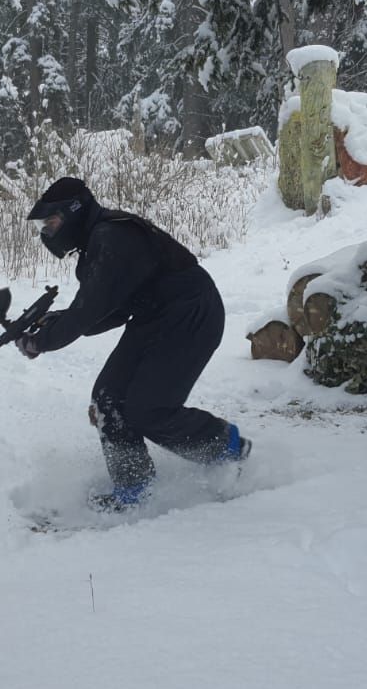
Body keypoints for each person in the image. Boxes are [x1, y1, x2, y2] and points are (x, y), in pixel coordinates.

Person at [16, 176, 250, 510]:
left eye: (50, 221)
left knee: (148, 410)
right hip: (155, 318)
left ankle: (228, 448)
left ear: (73, 212)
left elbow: (90, 310)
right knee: (108, 400)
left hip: (191, 315)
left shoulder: (113, 236)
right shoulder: (97, 243)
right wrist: (51, 326)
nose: (46, 231)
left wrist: (45, 340)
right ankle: (134, 490)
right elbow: (107, 310)